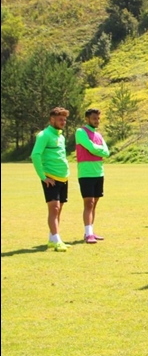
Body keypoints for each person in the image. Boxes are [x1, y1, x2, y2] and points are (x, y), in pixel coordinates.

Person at [31, 107, 71, 252]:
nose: (63, 122)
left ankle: (52, 239)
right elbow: (35, 155)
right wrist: (43, 177)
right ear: (52, 119)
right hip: (51, 178)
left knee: (58, 209)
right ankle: (57, 239)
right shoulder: (44, 135)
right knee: (54, 208)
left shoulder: (61, 136)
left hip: (63, 177)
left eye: (65, 119)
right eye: (60, 119)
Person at [75, 108, 110, 244]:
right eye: (94, 118)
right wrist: (98, 149)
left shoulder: (99, 135)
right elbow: (91, 148)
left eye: (98, 118)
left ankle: (90, 232)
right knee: (88, 203)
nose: (97, 121)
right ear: (87, 119)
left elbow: (106, 152)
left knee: (94, 203)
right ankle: (88, 233)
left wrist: (98, 149)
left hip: (99, 172)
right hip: (86, 173)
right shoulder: (81, 132)